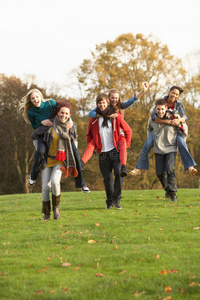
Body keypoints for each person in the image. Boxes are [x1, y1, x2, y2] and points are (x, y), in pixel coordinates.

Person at [130, 86, 197, 176]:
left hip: (175, 129)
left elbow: (185, 118)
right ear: (169, 92)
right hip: (159, 129)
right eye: (173, 93)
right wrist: (168, 122)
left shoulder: (179, 104)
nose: (174, 95)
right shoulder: (161, 102)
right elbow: (154, 117)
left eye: (177, 94)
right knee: (148, 143)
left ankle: (190, 167)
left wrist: (179, 120)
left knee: (181, 142)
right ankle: (138, 167)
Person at [84, 82, 149, 177]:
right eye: (112, 97)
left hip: (119, 134)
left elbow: (132, 100)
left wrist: (143, 91)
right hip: (107, 135)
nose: (114, 99)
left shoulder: (121, 106)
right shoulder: (104, 107)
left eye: (116, 98)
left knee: (122, 145)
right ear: (108, 98)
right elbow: (90, 114)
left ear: (118, 99)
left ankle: (123, 167)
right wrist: (107, 115)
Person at [41, 101, 90, 221]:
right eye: (62, 112)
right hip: (47, 160)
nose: (64, 115)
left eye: (66, 113)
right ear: (57, 113)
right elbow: (40, 139)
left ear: (69, 115)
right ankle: (46, 213)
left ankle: (56, 209)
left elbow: (74, 144)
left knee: (55, 182)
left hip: (60, 160)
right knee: (45, 187)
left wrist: (67, 131)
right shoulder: (49, 124)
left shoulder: (72, 126)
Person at [85, 93, 132, 209]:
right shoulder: (94, 119)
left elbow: (128, 130)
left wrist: (126, 146)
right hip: (103, 153)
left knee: (118, 172)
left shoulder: (115, 116)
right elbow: (89, 135)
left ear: (107, 103)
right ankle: (109, 201)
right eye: (99, 103)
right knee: (107, 179)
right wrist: (93, 147)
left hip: (115, 151)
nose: (102, 105)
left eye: (104, 103)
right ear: (97, 104)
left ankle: (117, 199)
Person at [20, 89, 57, 186]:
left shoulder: (51, 103)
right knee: (40, 152)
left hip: (54, 133)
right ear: (30, 100)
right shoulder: (31, 112)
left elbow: (63, 112)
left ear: (40, 96)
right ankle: (33, 175)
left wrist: (69, 120)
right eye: (33, 98)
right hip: (42, 134)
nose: (35, 100)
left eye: (37, 97)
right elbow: (34, 126)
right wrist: (42, 122)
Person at [147, 99, 179, 202]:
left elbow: (184, 128)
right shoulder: (152, 120)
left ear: (166, 109)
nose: (160, 111)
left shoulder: (174, 118)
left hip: (171, 148)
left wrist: (181, 141)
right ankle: (168, 190)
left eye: (162, 109)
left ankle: (173, 193)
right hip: (158, 149)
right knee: (160, 173)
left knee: (170, 169)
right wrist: (150, 141)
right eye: (158, 109)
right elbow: (149, 129)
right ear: (155, 109)